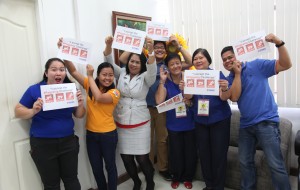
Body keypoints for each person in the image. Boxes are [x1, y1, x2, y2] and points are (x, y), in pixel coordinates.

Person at [221, 33, 292, 190]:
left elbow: (286, 64)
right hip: (246, 125)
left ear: (238, 56)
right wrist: (237, 74)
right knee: (245, 162)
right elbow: (233, 97)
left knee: (275, 164)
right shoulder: (229, 79)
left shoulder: (257, 65)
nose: (227, 61)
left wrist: (279, 43)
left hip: (266, 123)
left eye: (230, 57)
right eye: (224, 60)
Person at [57, 38, 120, 190]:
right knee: (96, 168)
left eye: (110, 75)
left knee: (110, 166)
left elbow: (99, 97)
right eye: (104, 74)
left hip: (108, 135)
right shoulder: (89, 84)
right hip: (91, 134)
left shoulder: (115, 92)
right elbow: (72, 71)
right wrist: (64, 51)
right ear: (99, 75)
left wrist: (90, 76)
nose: (107, 78)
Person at [14, 58, 86, 190]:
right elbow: (18, 111)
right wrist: (33, 110)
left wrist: (80, 104)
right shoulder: (34, 90)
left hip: (68, 142)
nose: (58, 73)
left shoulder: (71, 89)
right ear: (46, 73)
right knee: (51, 185)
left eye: (62, 70)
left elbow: (79, 115)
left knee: (72, 180)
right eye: (54, 69)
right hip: (43, 144)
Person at [180, 48, 241, 190]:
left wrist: (225, 88)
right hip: (200, 121)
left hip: (219, 120)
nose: (198, 61)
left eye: (201, 58)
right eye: (195, 59)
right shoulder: (191, 76)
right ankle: (209, 185)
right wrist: (185, 87)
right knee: (204, 155)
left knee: (219, 156)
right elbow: (188, 98)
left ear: (208, 60)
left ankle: (218, 187)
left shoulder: (217, 75)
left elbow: (224, 97)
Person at [104, 36, 156, 190]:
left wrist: (151, 50)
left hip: (140, 123)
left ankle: (150, 180)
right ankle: (136, 181)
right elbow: (108, 63)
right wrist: (108, 45)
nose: (134, 64)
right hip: (122, 120)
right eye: (131, 61)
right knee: (126, 157)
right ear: (128, 62)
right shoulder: (121, 74)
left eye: (137, 62)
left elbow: (152, 68)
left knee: (142, 158)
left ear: (142, 64)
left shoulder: (147, 77)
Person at [155, 53, 197, 189]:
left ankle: (188, 178)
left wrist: (185, 89)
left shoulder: (189, 77)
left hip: (190, 122)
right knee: (175, 152)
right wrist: (162, 81)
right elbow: (159, 101)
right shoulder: (166, 81)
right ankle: (176, 177)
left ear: (181, 63)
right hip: (173, 123)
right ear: (168, 67)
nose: (175, 66)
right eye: (172, 64)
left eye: (177, 63)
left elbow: (191, 97)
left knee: (190, 152)